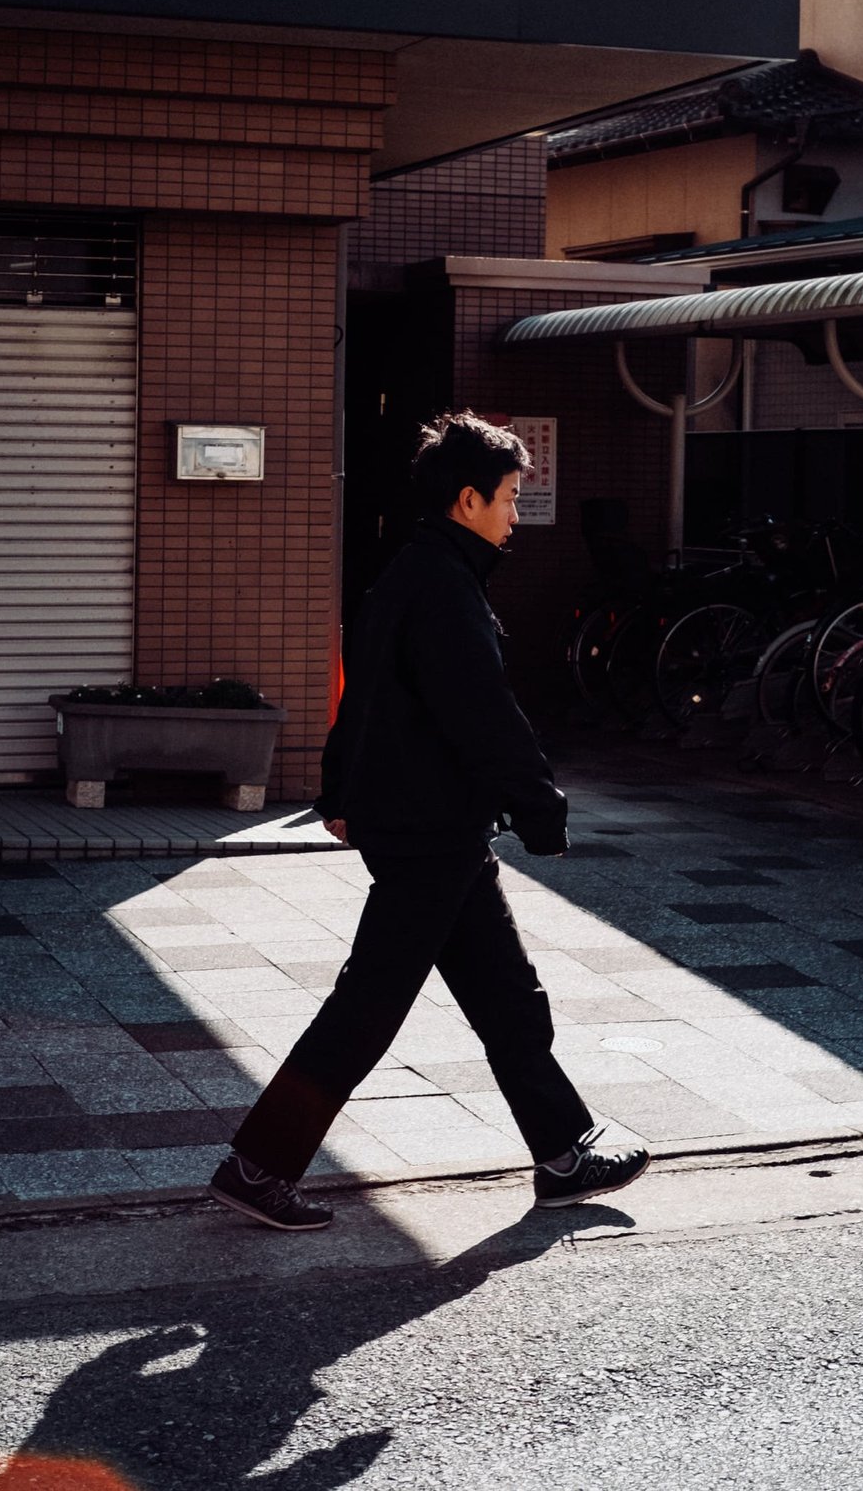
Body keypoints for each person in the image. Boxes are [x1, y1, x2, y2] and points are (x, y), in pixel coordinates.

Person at [209, 412, 649, 1231]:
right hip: (429, 829)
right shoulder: (444, 588)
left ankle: (562, 1154)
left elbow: (363, 695)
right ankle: (258, 1166)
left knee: (507, 995)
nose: (515, 514)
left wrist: (340, 792)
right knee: (369, 1005)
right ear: (467, 499)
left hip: (432, 826)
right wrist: (540, 805)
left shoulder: (412, 573)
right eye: (508, 497)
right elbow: (482, 714)